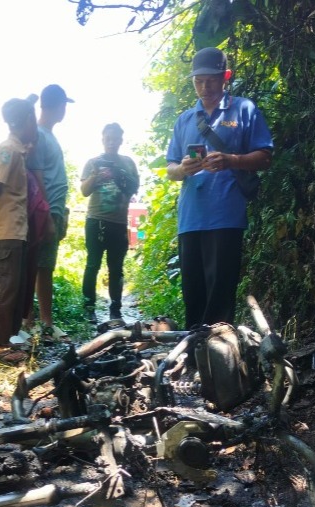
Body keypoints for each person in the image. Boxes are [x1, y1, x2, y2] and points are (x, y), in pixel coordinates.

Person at [165, 47, 273, 329]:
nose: (205, 87)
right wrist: (183, 168)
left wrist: (231, 160)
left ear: (225, 76)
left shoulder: (243, 109)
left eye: (211, 79)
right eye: (198, 81)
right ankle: (192, 356)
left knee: (220, 291)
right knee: (193, 293)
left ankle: (221, 356)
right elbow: (170, 169)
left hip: (226, 214)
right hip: (191, 217)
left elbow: (265, 157)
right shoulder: (185, 120)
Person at [0, 97, 38, 365]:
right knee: (4, 291)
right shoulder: (8, 151)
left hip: (17, 231)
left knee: (13, 289)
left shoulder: (18, 151)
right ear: (26, 121)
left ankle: (7, 342)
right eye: (33, 119)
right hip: (7, 231)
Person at [26, 84, 74, 341]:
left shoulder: (48, 135)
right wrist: (46, 212)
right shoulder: (40, 135)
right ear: (56, 106)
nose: (65, 110)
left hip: (53, 209)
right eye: (64, 105)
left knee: (43, 264)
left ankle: (37, 322)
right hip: (45, 211)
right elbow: (37, 175)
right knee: (42, 266)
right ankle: (42, 323)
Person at [79, 123, 140, 321]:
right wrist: (96, 175)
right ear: (103, 140)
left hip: (119, 222)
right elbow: (84, 191)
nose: (112, 143)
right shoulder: (93, 163)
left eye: (115, 139)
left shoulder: (128, 163)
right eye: (108, 139)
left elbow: (133, 189)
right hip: (95, 220)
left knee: (116, 268)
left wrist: (120, 174)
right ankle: (89, 308)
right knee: (92, 264)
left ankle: (115, 309)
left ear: (121, 140)